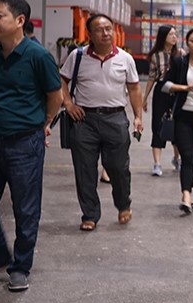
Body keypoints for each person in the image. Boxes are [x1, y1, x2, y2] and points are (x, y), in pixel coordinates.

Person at [0, 0, 62, 292]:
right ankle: (0, 254)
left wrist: (43, 123)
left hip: (25, 144)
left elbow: (55, 96)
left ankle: (20, 267)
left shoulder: (38, 56)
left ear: (19, 20)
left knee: (25, 208)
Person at [61, 13, 144, 231]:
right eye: (99, 29)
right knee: (84, 170)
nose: (105, 33)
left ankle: (123, 204)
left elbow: (134, 88)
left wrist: (138, 116)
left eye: (108, 28)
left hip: (115, 118)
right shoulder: (77, 56)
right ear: (90, 34)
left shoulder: (125, 58)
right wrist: (68, 104)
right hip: (84, 119)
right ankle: (90, 214)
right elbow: (61, 80)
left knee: (118, 167)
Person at [160, 29, 193, 214]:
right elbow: (165, 85)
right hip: (183, 115)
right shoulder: (179, 62)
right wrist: (186, 88)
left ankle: (188, 193)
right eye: (192, 40)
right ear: (187, 42)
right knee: (187, 156)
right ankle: (186, 195)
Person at [142, 25, 180, 176]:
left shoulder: (180, 54)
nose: (174, 37)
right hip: (161, 92)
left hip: (177, 91)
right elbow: (151, 78)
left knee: (178, 125)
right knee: (158, 125)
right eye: (171, 34)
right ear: (163, 37)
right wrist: (145, 98)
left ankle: (177, 158)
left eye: (175, 34)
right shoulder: (156, 56)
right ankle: (157, 164)